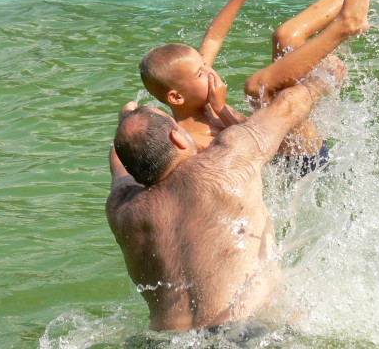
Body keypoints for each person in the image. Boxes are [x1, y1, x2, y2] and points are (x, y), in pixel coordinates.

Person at [106, 52, 350, 332]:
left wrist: (128, 121)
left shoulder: (120, 208)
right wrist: (322, 79)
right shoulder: (225, 163)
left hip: (164, 341)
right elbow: (286, 107)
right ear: (177, 138)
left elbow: (119, 163)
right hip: (243, 333)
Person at [138, 0, 379, 161]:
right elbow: (255, 145)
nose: (209, 71)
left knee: (286, 38)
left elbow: (214, 38)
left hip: (296, 135)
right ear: (176, 97)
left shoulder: (201, 97)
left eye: (204, 66)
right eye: (201, 73)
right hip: (301, 162)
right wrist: (222, 109)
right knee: (257, 88)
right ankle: (345, 28)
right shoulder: (192, 141)